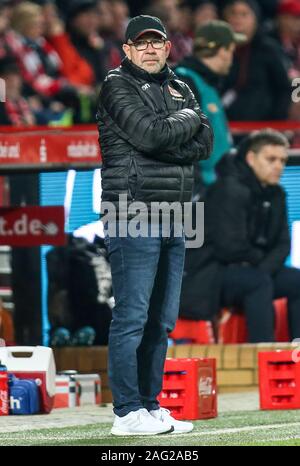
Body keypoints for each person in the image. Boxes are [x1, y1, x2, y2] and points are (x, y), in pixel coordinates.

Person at [96, 14, 213, 435]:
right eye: (140, 43)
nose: (148, 49)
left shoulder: (180, 85)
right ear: (126, 50)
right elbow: (149, 135)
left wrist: (174, 131)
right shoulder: (116, 85)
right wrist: (184, 124)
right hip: (131, 212)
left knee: (161, 320)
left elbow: (206, 141)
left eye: (156, 42)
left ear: (167, 47)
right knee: (132, 316)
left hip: (176, 214)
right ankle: (126, 413)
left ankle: (149, 406)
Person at [180, 129, 300, 343]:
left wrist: (263, 268)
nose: (279, 166)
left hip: (255, 268)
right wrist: (261, 268)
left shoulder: (277, 194)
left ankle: (296, 352)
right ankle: (262, 354)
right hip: (209, 273)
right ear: (251, 158)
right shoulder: (228, 189)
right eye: (271, 159)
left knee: (295, 280)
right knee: (257, 283)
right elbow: (229, 247)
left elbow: (282, 244)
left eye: (282, 160)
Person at [176, 20, 246, 193]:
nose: (232, 57)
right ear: (222, 51)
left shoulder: (205, 83)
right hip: (201, 190)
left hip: (217, 187)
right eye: (231, 50)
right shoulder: (185, 82)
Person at [221, 0, 291, 121]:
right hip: (226, 125)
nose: (238, 19)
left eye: (244, 14)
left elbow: (284, 88)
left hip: (264, 127)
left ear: (255, 19)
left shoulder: (269, 49)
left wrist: (278, 122)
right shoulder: (220, 49)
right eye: (233, 13)